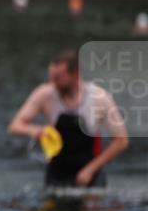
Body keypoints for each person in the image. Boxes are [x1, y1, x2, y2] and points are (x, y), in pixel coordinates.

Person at [8, 50, 128, 187]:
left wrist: (90, 170)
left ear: (76, 74)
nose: (53, 83)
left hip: (90, 171)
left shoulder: (100, 98)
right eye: (52, 77)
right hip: (57, 169)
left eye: (58, 78)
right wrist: (35, 131)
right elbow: (15, 126)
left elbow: (121, 141)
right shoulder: (45, 94)